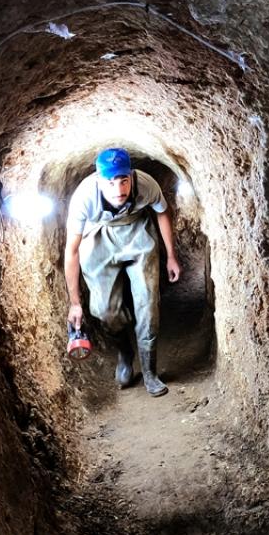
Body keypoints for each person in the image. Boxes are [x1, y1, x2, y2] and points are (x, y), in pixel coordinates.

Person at [64, 148, 181, 396]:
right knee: (105, 310)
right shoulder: (85, 197)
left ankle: (150, 371)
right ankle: (125, 353)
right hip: (99, 236)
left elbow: (162, 212)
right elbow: (71, 250)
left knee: (148, 306)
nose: (119, 190)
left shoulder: (145, 184)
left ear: (130, 176)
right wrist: (75, 302)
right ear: (99, 180)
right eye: (110, 182)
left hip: (137, 231)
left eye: (123, 180)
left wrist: (171, 256)